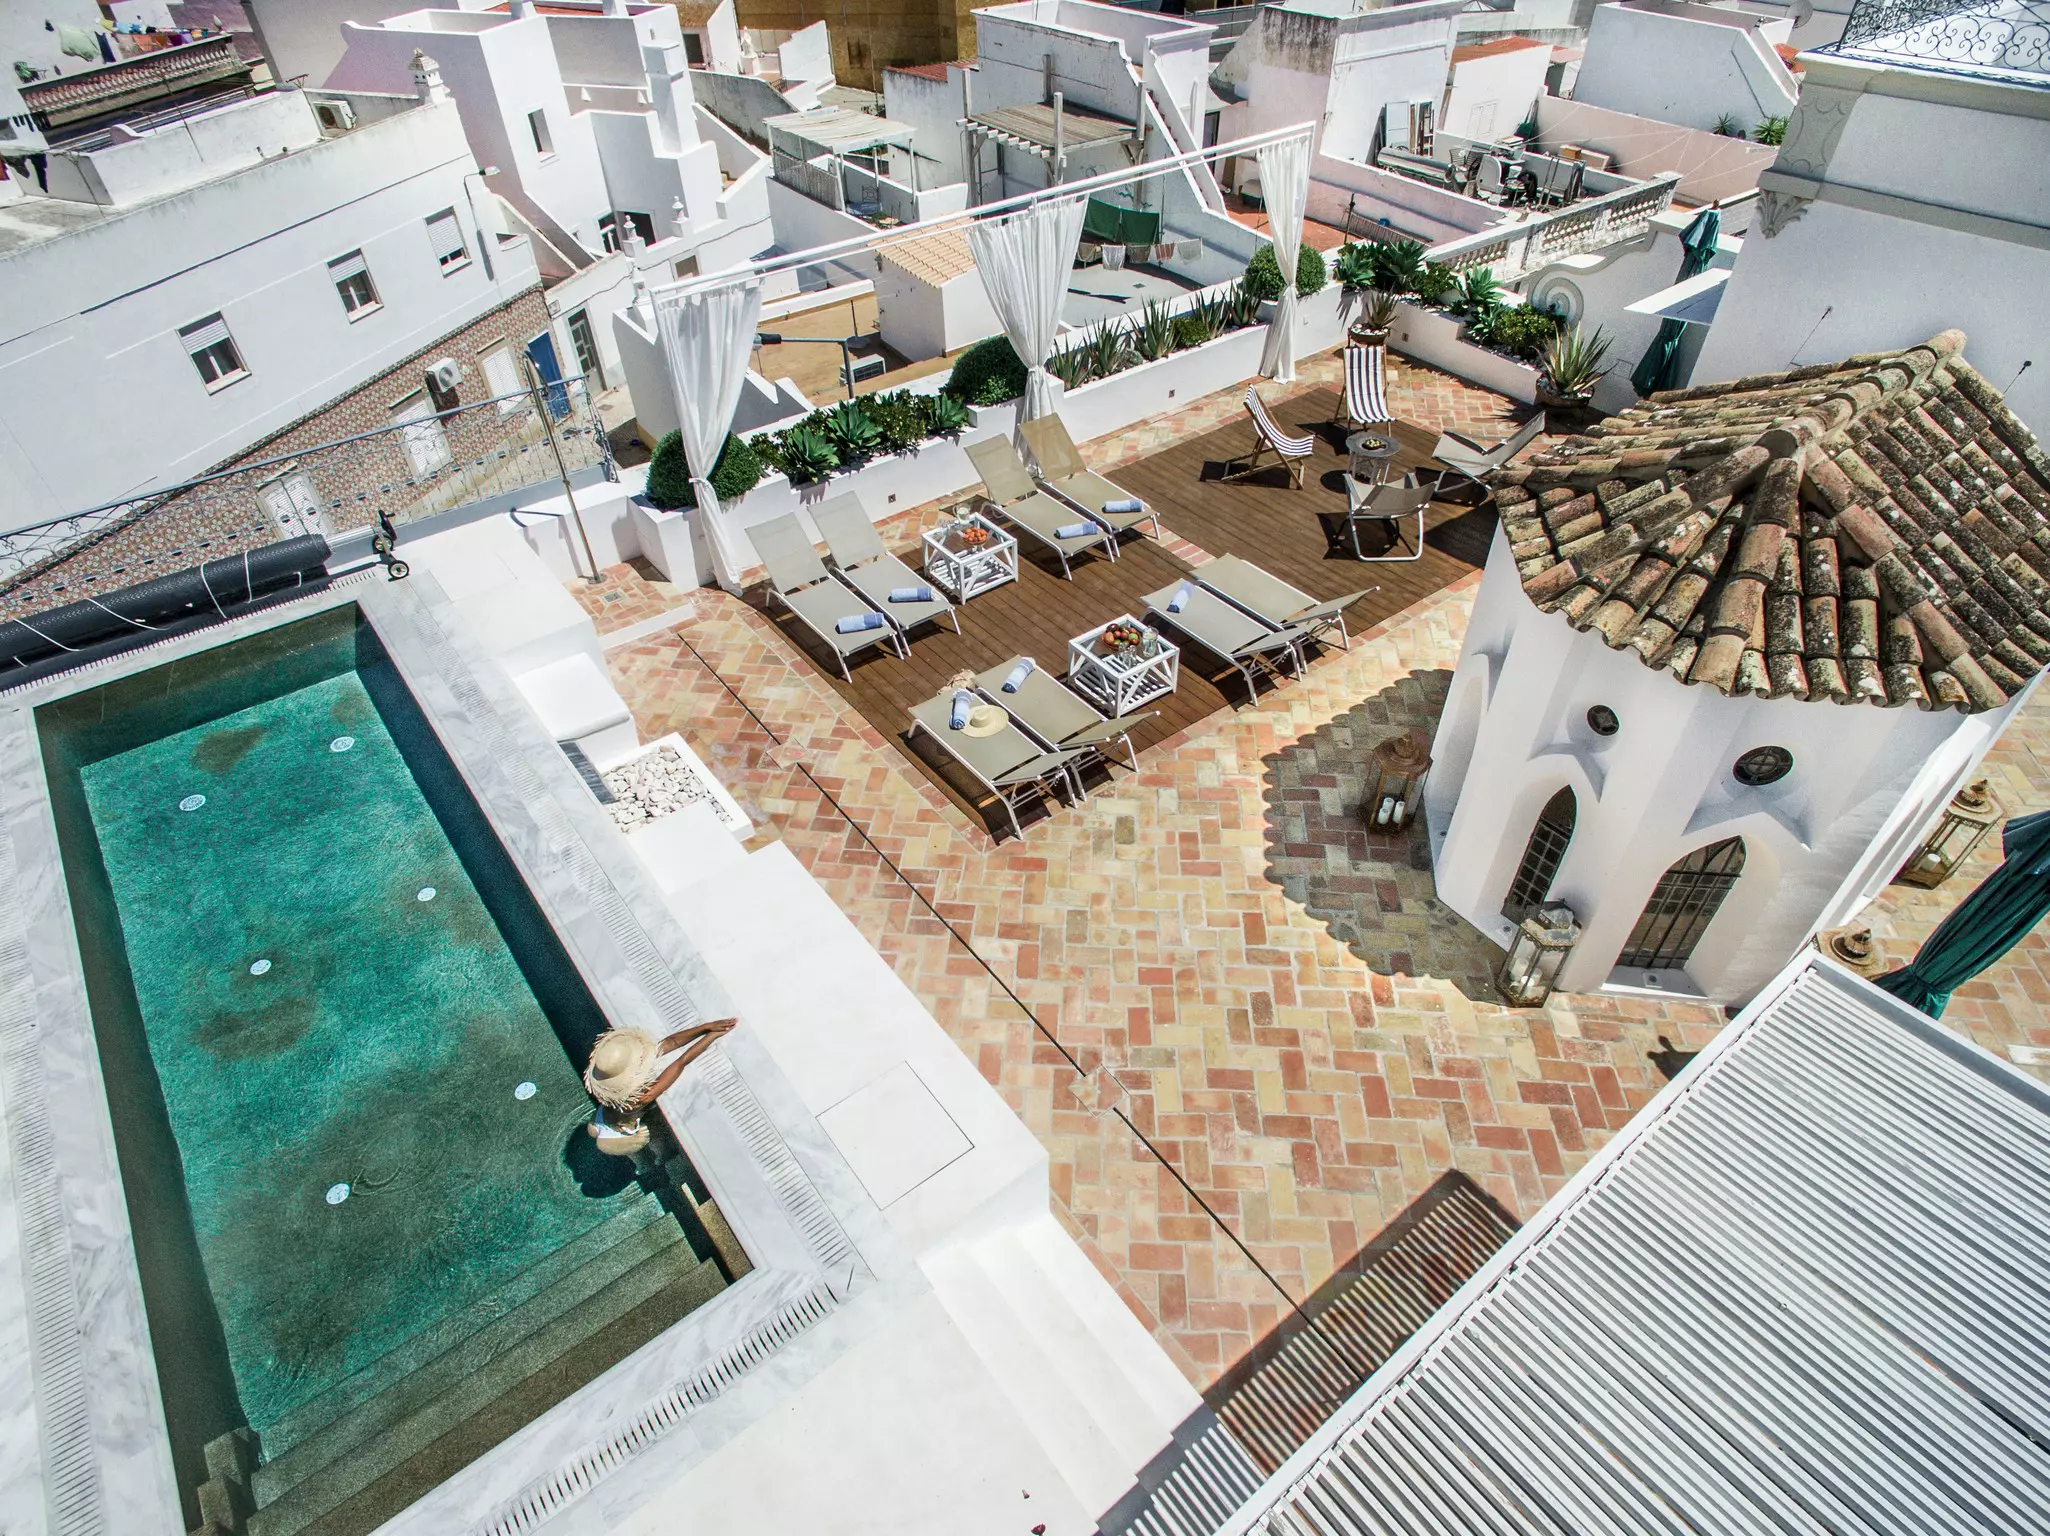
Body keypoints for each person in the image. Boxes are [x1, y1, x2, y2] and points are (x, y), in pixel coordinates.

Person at [582, 1019, 735, 1156]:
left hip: (603, 1120)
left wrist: (707, 1029)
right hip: (617, 1126)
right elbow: (681, 1060)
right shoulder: (639, 1100)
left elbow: (675, 1051)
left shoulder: (601, 1086)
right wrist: (710, 1033)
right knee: (657, 1143)